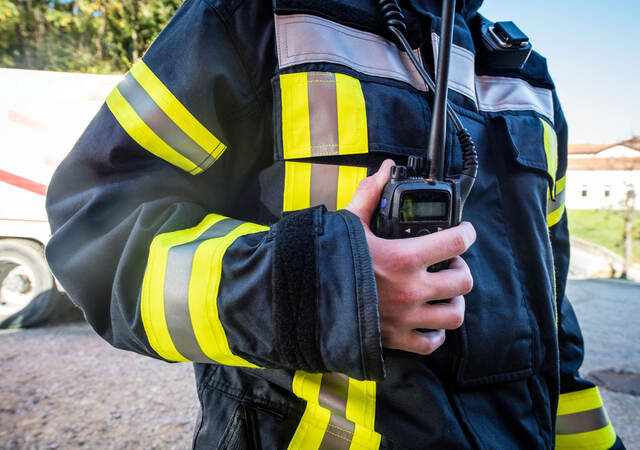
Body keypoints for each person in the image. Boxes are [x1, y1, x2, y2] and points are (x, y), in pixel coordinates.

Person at [45, 0, 625, 448]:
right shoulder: (253, 16)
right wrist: (318, 291)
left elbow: (554, 320)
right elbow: (95, 232)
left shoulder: (527, 75)